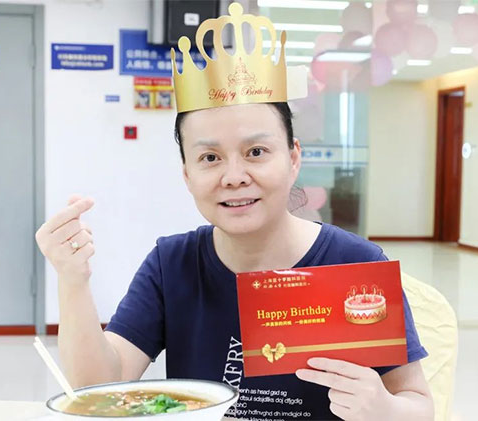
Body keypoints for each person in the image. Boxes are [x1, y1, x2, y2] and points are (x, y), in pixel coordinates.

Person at [35, 3, 433, 420]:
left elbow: (418, 403)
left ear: (293, 158)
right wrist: (73, 280)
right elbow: (100, 389)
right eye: (210, 158)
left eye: (256, 152)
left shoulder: (355, 264)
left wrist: (384, 408)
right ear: (187, 174)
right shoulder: (172, 265)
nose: (234, 176)